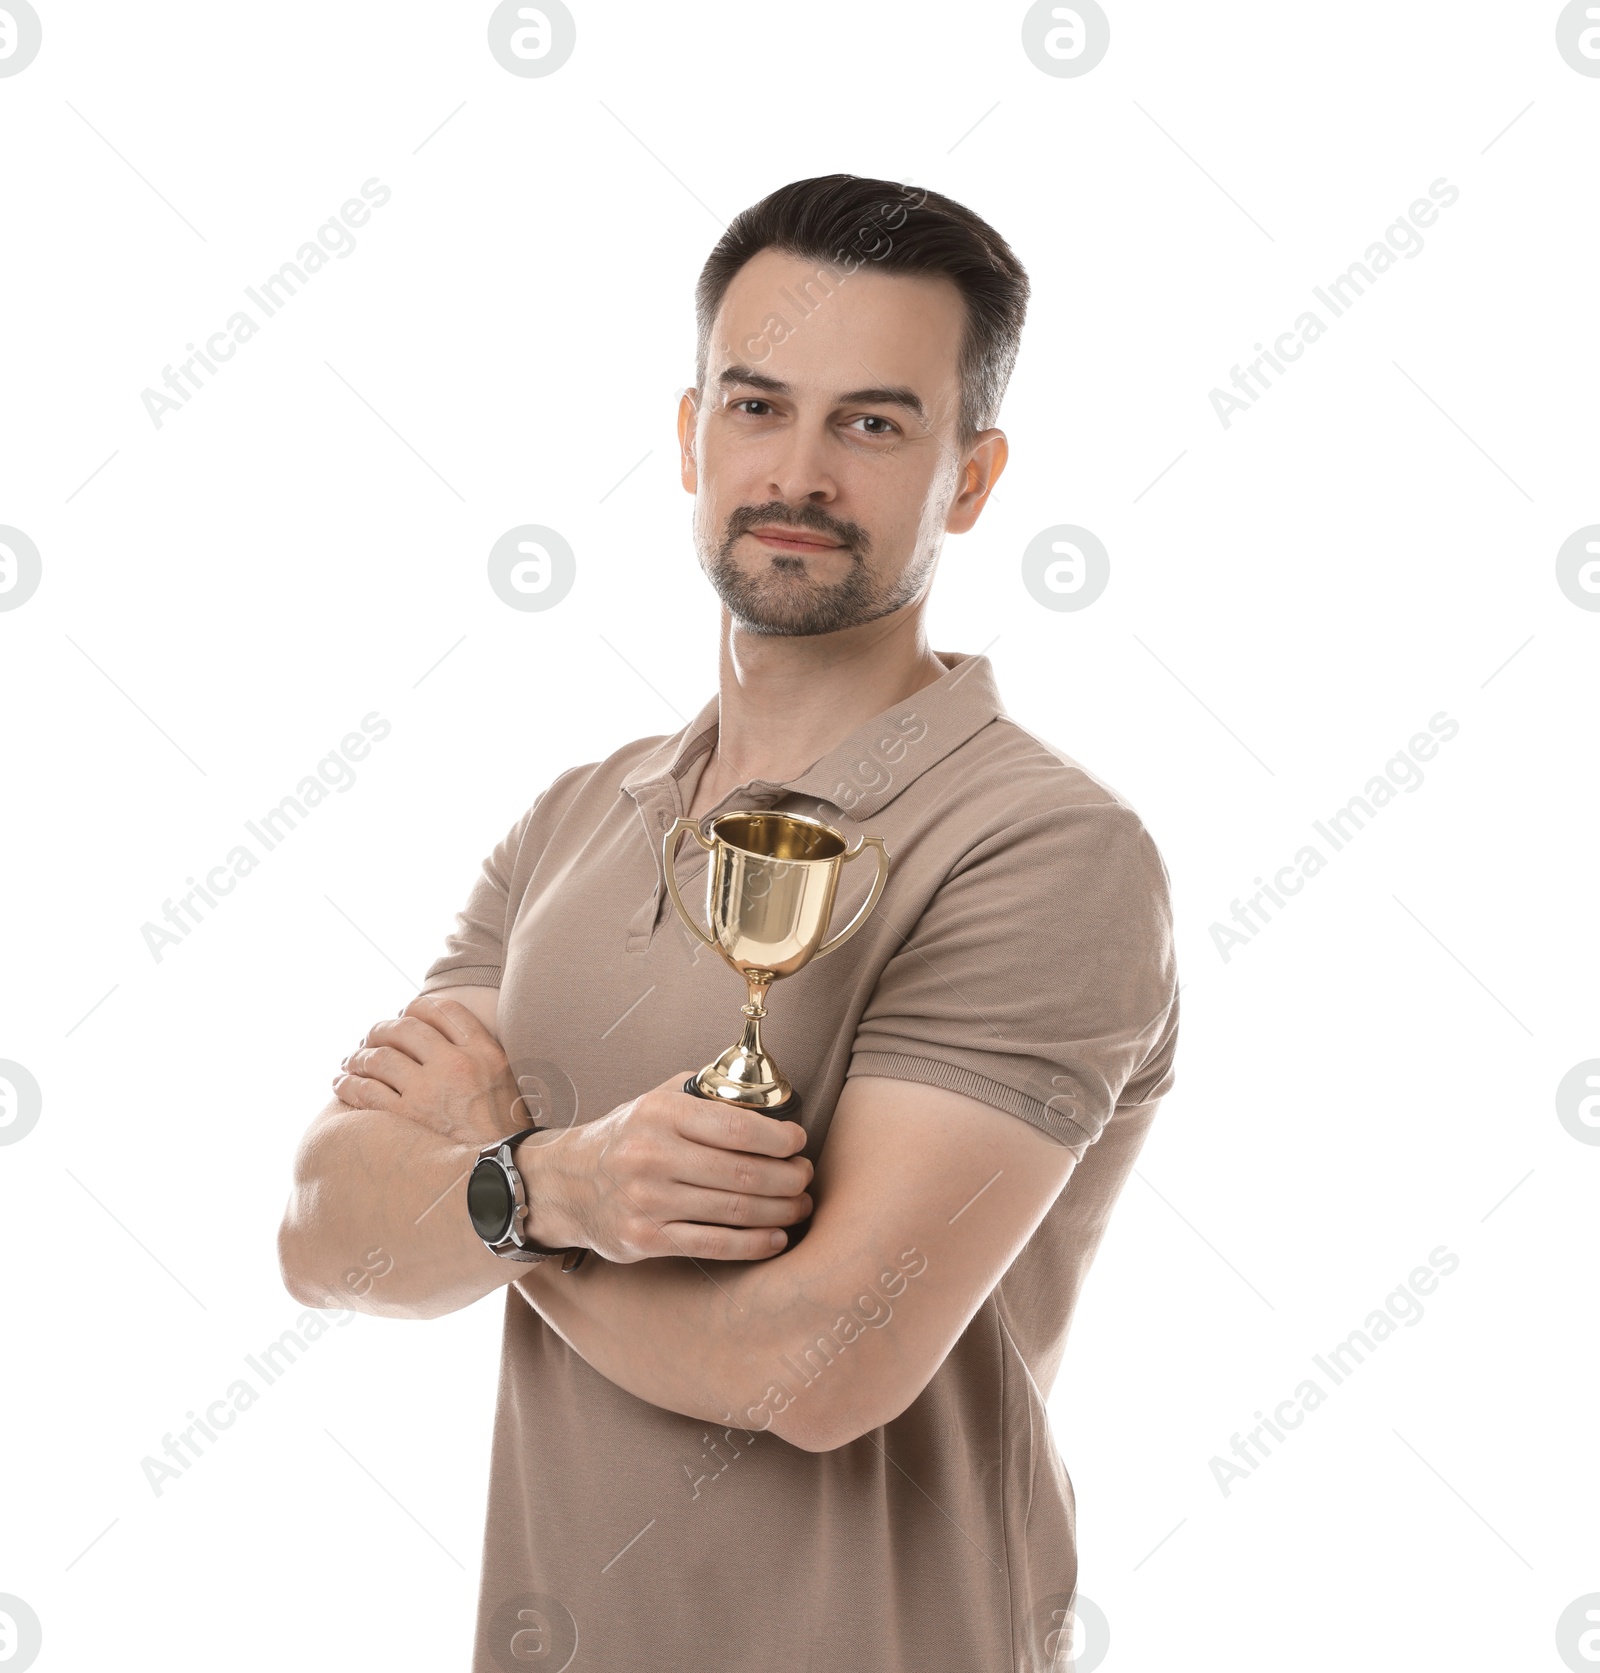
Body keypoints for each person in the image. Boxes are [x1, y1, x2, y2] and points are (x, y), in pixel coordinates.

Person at [278, 174, 1179, 1673]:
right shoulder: (578, 815)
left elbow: (824, 1362)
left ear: (970, 474)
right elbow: (321, 1233)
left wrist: (502, 1202)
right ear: (694, 435)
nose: (801, 471)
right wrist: (556, 1181)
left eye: (875, 424)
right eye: (757, 408)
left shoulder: (1045, 850)